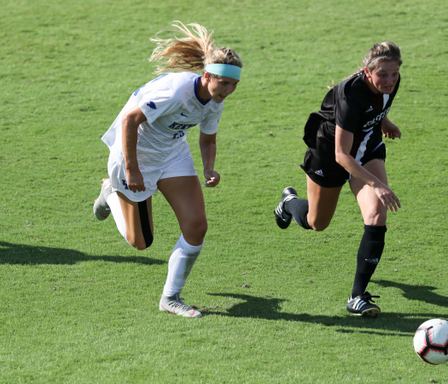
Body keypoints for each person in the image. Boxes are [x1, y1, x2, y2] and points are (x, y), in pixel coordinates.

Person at [93, 22, 242, 318]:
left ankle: (170, 298)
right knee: (141, 242)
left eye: (233, 84)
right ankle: (110, 192)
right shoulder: (176, 90)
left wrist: (209, 167)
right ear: (207, 75)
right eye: (223, 83)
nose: (228, 90)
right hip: (133, 154)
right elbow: (130, 121)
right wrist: (132, 170)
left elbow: (208, 137)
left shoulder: (214, 100)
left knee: (197, 226)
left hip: (173, 154)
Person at [274, 41, 402, 317]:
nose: (389, 80)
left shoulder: (390, 82)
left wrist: (385, 122)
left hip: (367, 149)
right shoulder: (349, 94)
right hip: (330, 157)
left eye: (394, 74)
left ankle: (357, 297)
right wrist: (377, 184)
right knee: (317, 223)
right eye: (383, 75)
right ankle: (288, 203)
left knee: (377, 213)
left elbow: (377, 105)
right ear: (368, 73)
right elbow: (342, 155)